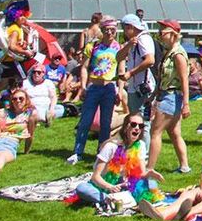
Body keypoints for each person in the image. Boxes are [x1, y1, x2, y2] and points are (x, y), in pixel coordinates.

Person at [74, 112, 164, 208]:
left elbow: (141, 174)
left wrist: (150, 174)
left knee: (151, 182)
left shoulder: (140, 145)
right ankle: (108, 199)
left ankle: (124, 200)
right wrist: (110, 187)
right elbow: (95, 177)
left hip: (124, 184)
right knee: (82, 188)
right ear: (125, 127)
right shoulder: (111, 146)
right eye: (133, 124)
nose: (137, 128)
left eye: (141, 126)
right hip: (104, 185)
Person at [68, 16, 121, 165]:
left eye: (112, 30)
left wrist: (120, 90)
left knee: (106, 122)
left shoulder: (119, 48)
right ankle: (77, 151)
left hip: (109, 87)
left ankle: (101, 152)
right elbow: (84, 67)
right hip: (94, 86)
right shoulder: (93, 47)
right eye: (106, 30)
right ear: (102, 30)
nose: (109, 32)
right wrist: (83, 86)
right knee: (85, 120)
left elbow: (121, 70)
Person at [148, 19, 191, 173]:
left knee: (155, 132)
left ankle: (149, 168)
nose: (159, 34)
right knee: (174, 133)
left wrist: (186, 104)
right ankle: (184, 166)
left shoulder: (178, 55)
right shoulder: (170, 52)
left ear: (173, 34)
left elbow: (184, 80)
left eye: (162, 31)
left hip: (171, 96)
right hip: (170, 96)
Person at [116, 13, 155, 148]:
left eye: (125, 28)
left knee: (142, 123)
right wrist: (127, 46)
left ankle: (143, 156)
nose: (124, 32)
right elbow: (118, 57)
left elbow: (150, 60)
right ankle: (135, 151)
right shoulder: (134, 40)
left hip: (142, 88)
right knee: (134, 119)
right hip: (134, 87)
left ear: (130, 27)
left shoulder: (144, 39)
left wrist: (130, 73)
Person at [0, 87, 35, 175]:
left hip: (11, 143)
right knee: (0, 157)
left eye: (21, 98)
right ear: (11, 101)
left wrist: (27, 152)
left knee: (1, 157)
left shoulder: (30, 115)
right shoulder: (3, 112)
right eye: (15, 99)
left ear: (26, 100)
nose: (18, 101)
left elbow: (30, 135)